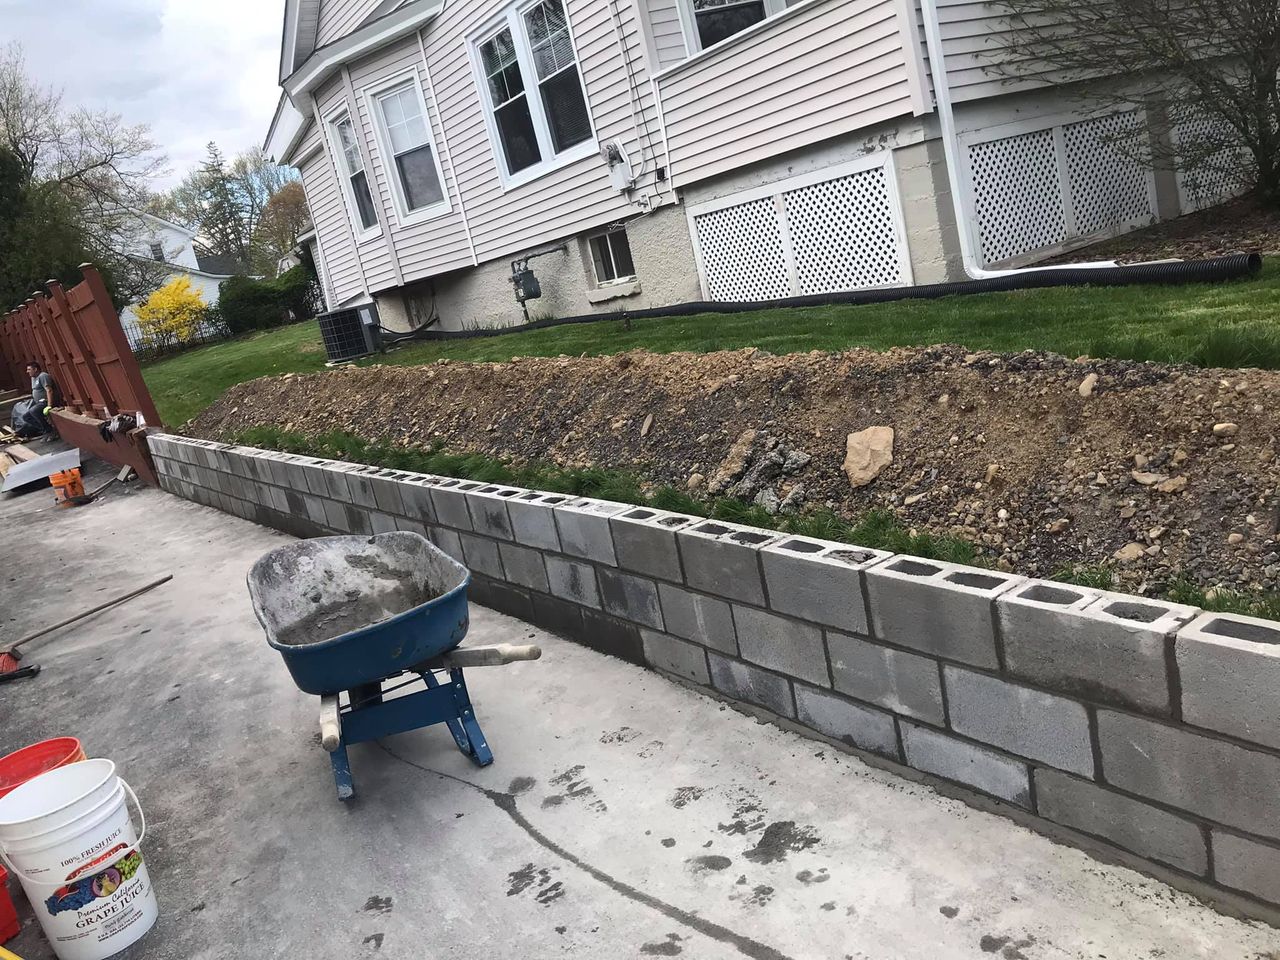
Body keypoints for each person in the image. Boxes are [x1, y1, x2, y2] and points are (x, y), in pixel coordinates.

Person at [10, 361, 57, 441]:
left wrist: (49, 405)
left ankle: (50, 431)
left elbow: (49, 390)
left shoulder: (43, 376)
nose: (27, 371)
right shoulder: (33, 378)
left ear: (35, 369)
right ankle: (45, 430)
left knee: (34, 411)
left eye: (29, 369)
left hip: (45, 401)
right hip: (38, 402)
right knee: (26, 416)